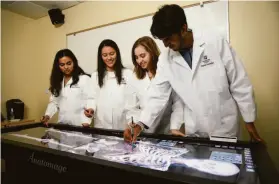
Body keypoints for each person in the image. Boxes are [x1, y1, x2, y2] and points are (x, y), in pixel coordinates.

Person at [124, 4, 263, 142]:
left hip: (224, 127)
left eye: (168, 38)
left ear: (183, 29)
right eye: (162, 40)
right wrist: (140, 124)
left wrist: (249, 121)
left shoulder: (214, 41)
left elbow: (238, 81)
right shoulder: (165, 59)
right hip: (195, 130)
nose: (165, 45)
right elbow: (157, 96)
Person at [125, 36, 184, 135]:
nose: (139, 61)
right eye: (136, 57)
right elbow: (132, 107)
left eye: (143, 55)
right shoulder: (134, 77)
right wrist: (134, 123)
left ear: (152, 53)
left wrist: (175, 127)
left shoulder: (166, 72)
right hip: (144, 131)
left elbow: (177, 103)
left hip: (167, 130)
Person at [84, 39, 133, 130]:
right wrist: (90, 108)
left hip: (123, 126)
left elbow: (132, 101)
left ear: (117, 53)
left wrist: (130, 123)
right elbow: (92, 97)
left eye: (112, 54)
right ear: (101, 57)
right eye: (105, 55)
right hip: (102, 126)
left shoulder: (128, 74)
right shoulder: (95, 76)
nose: (109, 58)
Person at [41, 49, 94, 127]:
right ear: (58, 66)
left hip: (80, 126)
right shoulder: (57, 82)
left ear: (74, 62)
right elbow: (54, 102)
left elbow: (91, 99)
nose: (66, 67)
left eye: (69, 63)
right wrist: (47, 115)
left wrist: (88, 117)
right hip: (63, 126)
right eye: (62, 65)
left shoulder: (84, 79)